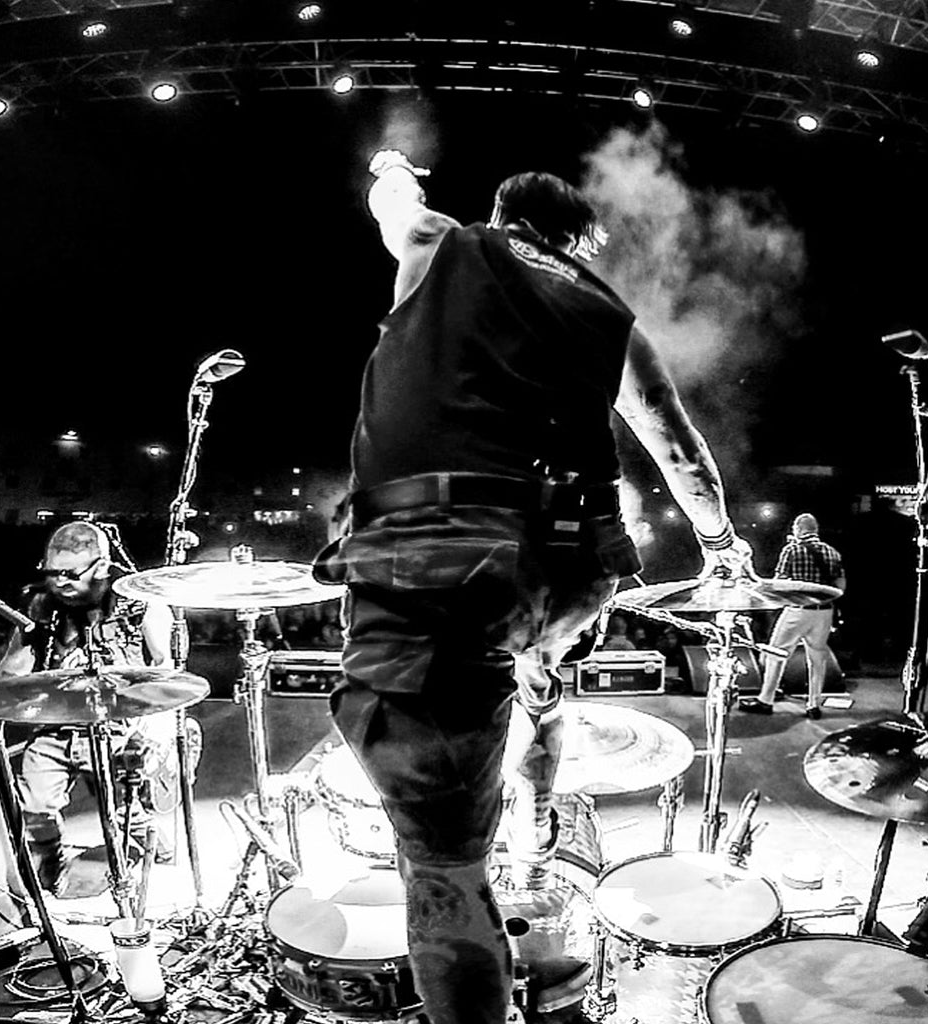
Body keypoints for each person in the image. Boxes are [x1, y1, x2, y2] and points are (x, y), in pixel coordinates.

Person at [312, 151, 752, 1024]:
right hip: (571, 573)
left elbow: (392, 200)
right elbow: (679, 449)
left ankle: (481, 897)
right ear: (580, 239)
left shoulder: (442, 242)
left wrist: (390, 165)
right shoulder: (607, 311)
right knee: (531, 670)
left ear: (504, 215)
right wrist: (722, 548)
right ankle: (536, 784)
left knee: (440, 869)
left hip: (441, 560)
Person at [0, 521, 177, 894]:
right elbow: (10, 676)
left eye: (70, 574)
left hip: (122, 728)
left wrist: (153, 736)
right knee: (34, 805)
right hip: (59, 726)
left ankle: (154, 842)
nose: (59, 582)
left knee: (124, 812)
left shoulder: (140, 603)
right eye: (51, 573)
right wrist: (25, 645)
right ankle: (50, 866)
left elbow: (165, 674)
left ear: (101, 567)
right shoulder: (43, 610)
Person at [739, 512, 845, 719]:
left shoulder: (792, 550)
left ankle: (765, 700)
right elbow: (841, 586)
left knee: (775, 653)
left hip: (798, 610)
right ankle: (813, 705)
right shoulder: (833, 552)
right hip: (824, 612)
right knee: (817, 658)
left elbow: (779, 583)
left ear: (798, 529)